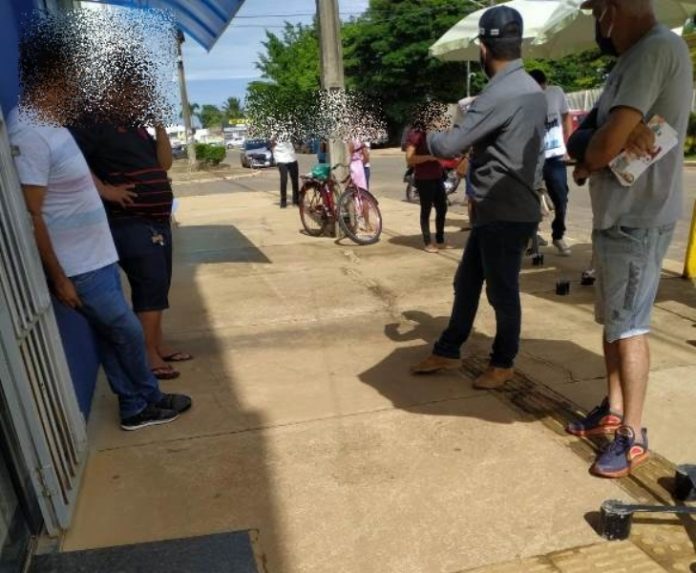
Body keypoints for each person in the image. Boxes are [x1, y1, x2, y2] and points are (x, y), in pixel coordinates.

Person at [11, 29, 192, 430]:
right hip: (77, 264)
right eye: (75, 77)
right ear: (55, 77)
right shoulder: (29, 133)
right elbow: (32, 212)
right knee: (126, 331)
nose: (80, 86)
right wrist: (59, 276)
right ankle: (148, 399)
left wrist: (103, 190)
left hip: (98, 254)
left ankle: (134, 406)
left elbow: (78, 172)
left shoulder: (52, 124)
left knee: (113, 335)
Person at [566, 0, 692, 478]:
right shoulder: (630, 59)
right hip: (618, 213)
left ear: (615, 8)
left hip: (638, 217)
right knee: (614, 322)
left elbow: (599, 147)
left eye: (597, 10)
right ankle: (614, 408)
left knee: (631, 327)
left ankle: (632, 434)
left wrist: (601, 143)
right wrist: (602, 139)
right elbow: (584, 137)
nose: (596, 22)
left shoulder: (654, 50)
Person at [410, 5, 546, 390]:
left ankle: (503, 362)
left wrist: (427, 133)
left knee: (502, 291)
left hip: (504, 208)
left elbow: (449, 144)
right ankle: (448, 349)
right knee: (467, 281)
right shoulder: (532, 89)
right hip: (507, 205)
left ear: (483, 49)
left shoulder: (499, 92)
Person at [70, 81, 192, 381]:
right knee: (149, 285)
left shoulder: (137, 127)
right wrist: (105, 190)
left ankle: (158, 345)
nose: (142, 98)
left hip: (157, 220)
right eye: (136, 92)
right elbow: (73, 160)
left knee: (158, 286)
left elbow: (164, 164)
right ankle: (149, 354)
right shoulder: (95, 123)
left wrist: (160, 127)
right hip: (130, 220)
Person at [529, 69, 573, 256]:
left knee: (561, 197)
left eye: (541, 87)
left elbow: (566, 115)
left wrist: (568, 143)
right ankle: (533, 235)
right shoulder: (524, 98)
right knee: (531, 199)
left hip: (555, 156)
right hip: (533, 157)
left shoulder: (556, 92)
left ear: (546, 84)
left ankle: (558, 234)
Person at [405, 122, 449, 253]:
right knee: (426, 210)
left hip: (437, 176)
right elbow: (409, 158)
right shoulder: (416, 135)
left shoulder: (436, 134)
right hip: (424, 178)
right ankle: (427, 242)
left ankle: (440, 239)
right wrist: (429, 157)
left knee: (442, 207)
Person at [271, 138, 299, 208]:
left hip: (291, 157)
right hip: (281, 158)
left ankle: (296, 200)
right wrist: (275, 156)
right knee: (284, 179)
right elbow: (272, 142)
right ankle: (283, 201)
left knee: (295, 180)